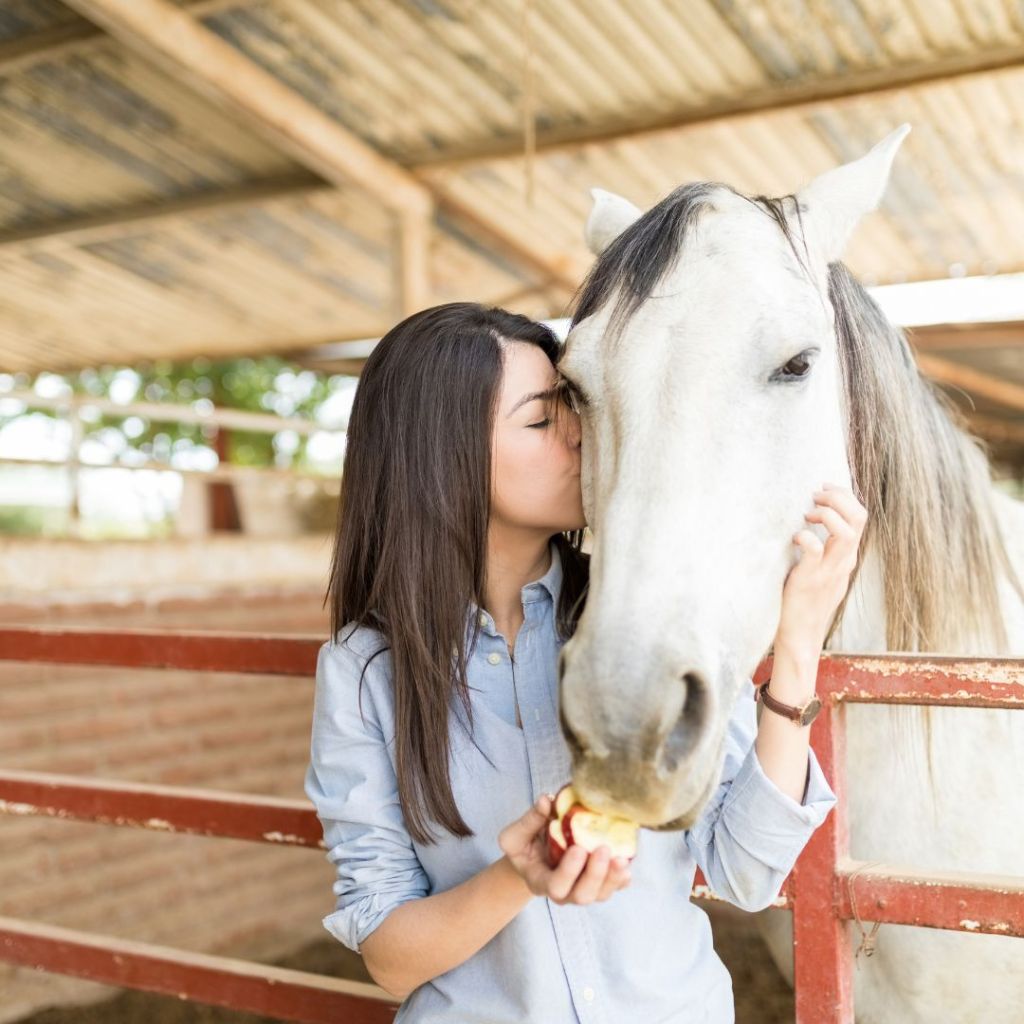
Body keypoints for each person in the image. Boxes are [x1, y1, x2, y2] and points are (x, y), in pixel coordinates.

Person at [304, 301, 861, 1022]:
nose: (581, 435)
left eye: (572, 408)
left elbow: (747, 870)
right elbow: (389, 960)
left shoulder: (641, 618)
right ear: (442, 460)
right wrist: (520, 876)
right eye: (541, 421)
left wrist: (798, 638)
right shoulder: (364, 673)